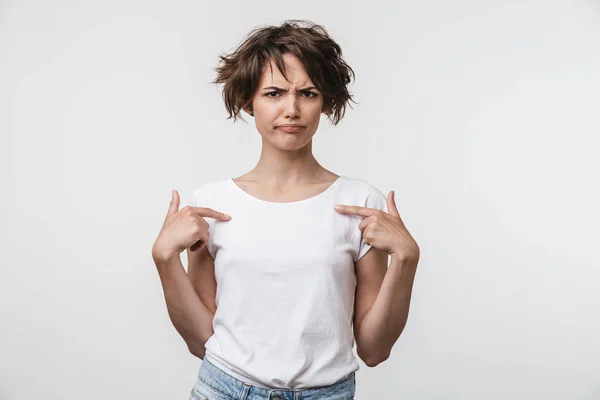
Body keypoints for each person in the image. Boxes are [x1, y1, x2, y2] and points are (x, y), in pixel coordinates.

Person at [151, 20, 420, 400]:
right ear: (249, 101)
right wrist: (164, 259)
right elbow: (201, 341)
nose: (291, 109)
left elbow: (374, 350)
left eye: (307, 93)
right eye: (274, 93)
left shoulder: (361, 204)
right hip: (224, 390)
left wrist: (407, 258)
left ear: (324, 102)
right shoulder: (213, 205)